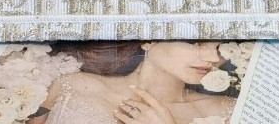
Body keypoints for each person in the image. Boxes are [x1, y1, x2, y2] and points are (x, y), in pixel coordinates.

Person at [39, 42, 236, 124]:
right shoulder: (70, 86)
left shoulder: (227, 112)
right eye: (197, 42)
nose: (213, 58)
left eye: (220, 47)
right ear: (149, 40)